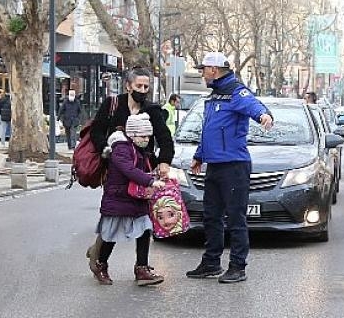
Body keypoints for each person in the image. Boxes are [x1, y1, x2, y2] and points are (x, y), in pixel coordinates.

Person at [186, 51, 273, 284]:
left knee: (235, 219)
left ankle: (237, 266)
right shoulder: (214, 96)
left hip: (234, 166)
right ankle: (211, 263)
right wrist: (199, 155)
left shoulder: (236, 91)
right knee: (211, 216)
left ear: (213, 70)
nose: (202, 74)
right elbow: (210, 131)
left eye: (203, 69)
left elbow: (255, 106)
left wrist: (264, 116)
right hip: (214, 165)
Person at [85, 67, 175, 271]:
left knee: (143, 217)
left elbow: (164, 137)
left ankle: (141, 267)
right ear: (128, 86)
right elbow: (97, 131)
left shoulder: (152, 110)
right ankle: (100, 253)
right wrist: (106, 150)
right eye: (138, 86)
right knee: (117, 213)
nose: (142, 90)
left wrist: (164, 161)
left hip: (143, 170)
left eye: (146, 86)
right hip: (116, 170)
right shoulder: (113, 104)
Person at [89, 113, 167, 286]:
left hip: (135, 199)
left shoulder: (138, 148)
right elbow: (129, 170)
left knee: (145, 229)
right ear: (132, 134)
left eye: (148, 136)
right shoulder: (121, 149)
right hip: (118, 199)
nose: (146, 139)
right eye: (143, 136)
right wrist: (151, 181)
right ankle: (100, 264)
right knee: (110, 236)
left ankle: (142, 268)